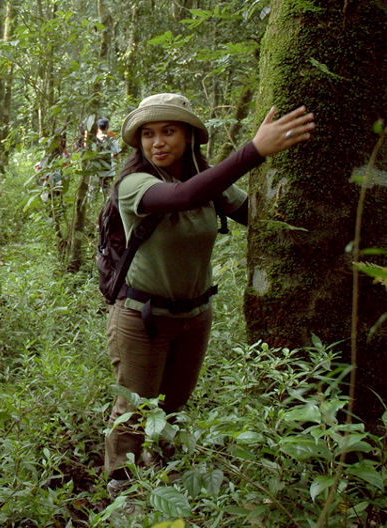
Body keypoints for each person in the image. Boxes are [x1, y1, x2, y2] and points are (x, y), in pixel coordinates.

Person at [104, 93, 314, 492]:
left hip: (195, 316)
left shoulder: (207, 179)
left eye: (169, 131)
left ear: (189, 137)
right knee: (132, 411)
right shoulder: (135, 184)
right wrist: (254, 151)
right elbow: (183, 197)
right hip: (140, 317)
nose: (158, 142)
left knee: (173, 408)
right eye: (148, 134)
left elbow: (257, 216)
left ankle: (165, 472)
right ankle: (122, 488)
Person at [95, 117, 122, 192]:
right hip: (109, 171)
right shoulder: (111, 139)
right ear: (107, 127)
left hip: (96, 171)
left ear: (98, 127)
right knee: (106, 192)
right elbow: (116, 154)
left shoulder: (94, 140)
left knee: (95, 193)